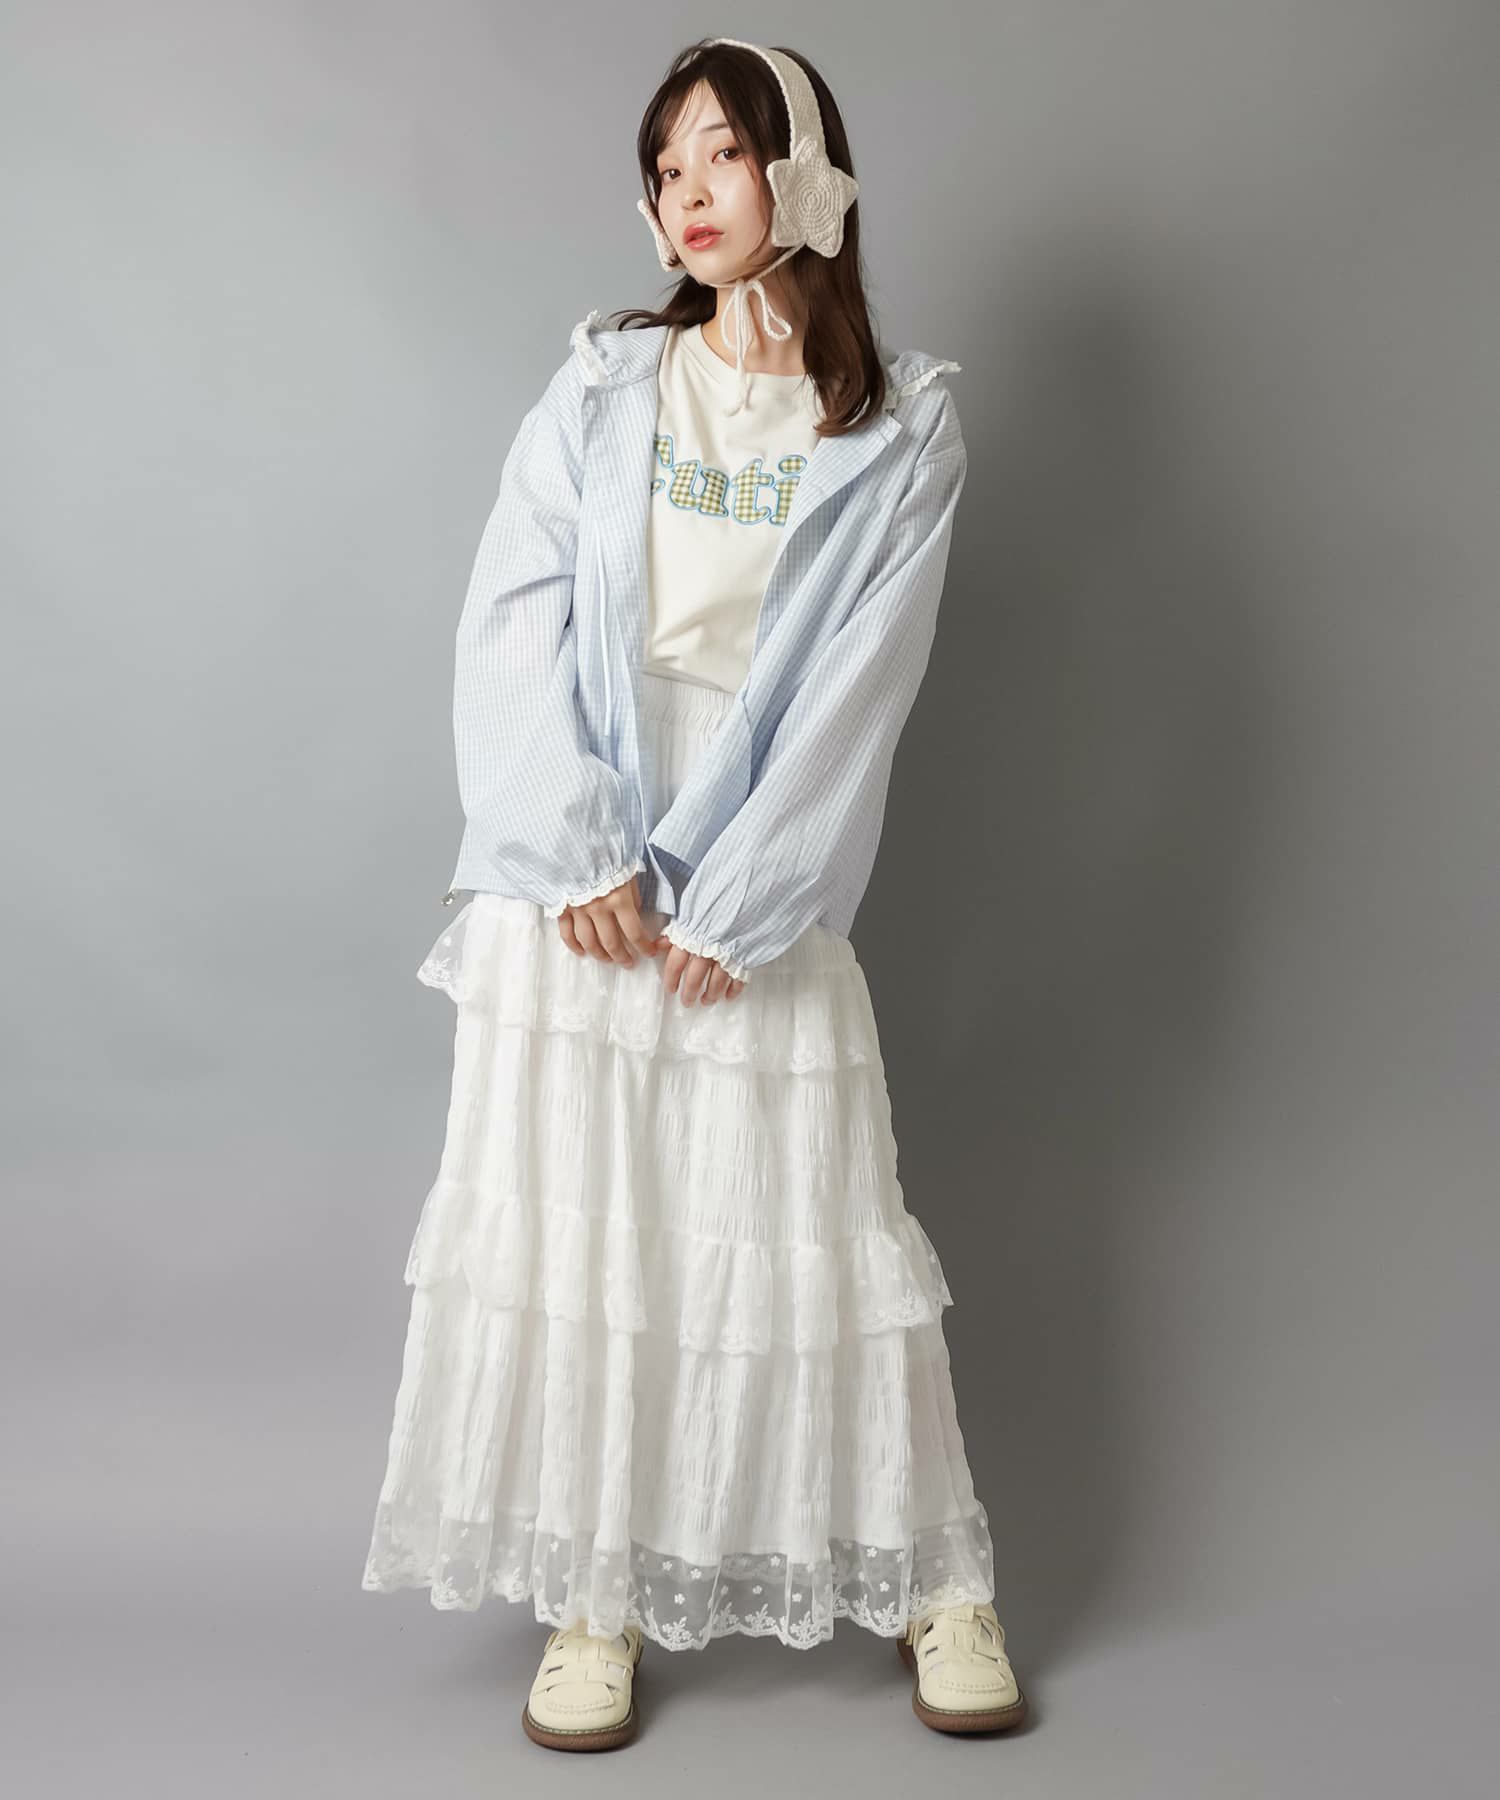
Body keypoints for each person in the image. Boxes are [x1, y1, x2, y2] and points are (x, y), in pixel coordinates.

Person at [360, 35, 1027, 1750]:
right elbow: (510, 614)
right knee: (591, 1218)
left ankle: (936, 1578)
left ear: (802, 166)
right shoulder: (601, 388)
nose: (689, 193)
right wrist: (572, 840)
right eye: (666, 168)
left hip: (759, 847)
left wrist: (748, 894)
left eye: (722, 152)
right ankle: (598, 1590)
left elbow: (863, 683)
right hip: (583, 847)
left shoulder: (901, 429)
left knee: (810, 1219)